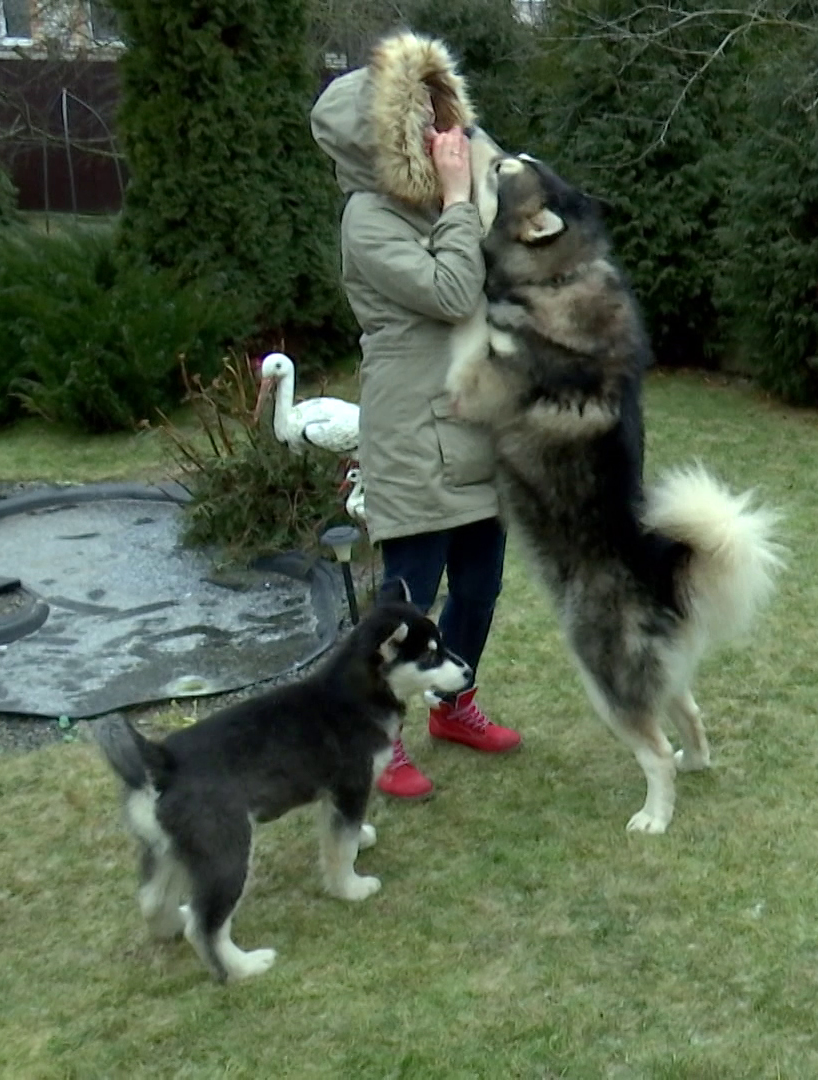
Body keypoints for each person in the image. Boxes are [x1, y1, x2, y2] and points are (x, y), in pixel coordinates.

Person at [310, 31, 522, 797]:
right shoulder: (366, 220)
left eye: (445, 118)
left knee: (479, 585)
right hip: (410, 428)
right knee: (406, 602)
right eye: (424, 124)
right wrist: (462, 202)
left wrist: (474, 183)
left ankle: (452, 703)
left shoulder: (448, 198)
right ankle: (377, 737)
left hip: (469, 417)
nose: (444, 137)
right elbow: (451, 293)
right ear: (385, 140)